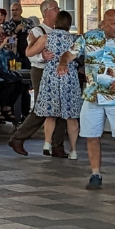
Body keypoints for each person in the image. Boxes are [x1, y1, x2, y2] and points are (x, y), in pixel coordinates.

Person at [56, 9, 115, 191]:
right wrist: (63, 63)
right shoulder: (89, 38)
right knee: (92, 136)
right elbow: (70, 53)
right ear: (103, 24)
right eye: (114, 23)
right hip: (92, 96)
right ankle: (95, 174)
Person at [9, 0, 68, 157]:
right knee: (42, 108)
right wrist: (42, 56)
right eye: (55, 8)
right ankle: (18, 137)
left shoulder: (59, 31)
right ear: (46, 12)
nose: (58, 10)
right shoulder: (37, 31)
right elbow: (31, 53)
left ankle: (57, 144)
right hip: (41, 71)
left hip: (57, 72)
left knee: (61, 107)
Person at [26, 10, 81, 159]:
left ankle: (47, 142)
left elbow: (29, 53)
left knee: (50, 112)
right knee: (71, 116)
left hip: (51, 75)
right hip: (69, 76)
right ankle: (74, 150)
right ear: (69, 25)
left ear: (55, 23)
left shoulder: (46, 37)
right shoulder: (75, 40)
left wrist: (32, 41)